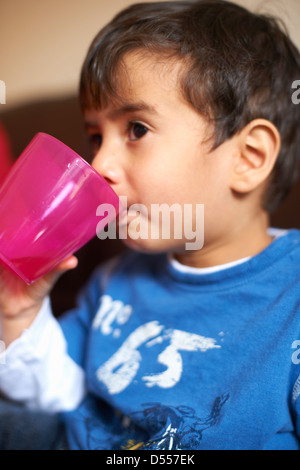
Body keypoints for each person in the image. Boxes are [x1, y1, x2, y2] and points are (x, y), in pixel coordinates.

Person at [0, 0, 300, 450]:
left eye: (136, 129)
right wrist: (19, 315)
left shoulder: (290, 298)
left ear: (248, 158)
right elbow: (60, 397)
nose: (97, 163)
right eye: (96, 137)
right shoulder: (114, 281)